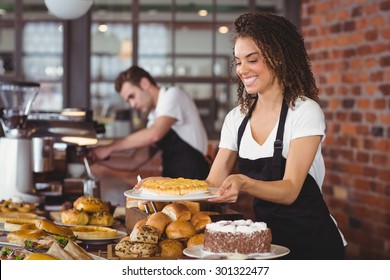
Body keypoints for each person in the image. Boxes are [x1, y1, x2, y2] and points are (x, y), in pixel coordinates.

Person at [206, 13, 347, 259]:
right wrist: (160, 189)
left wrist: (244, 182)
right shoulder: (236, 119)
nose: (242, 70)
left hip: (315, 245)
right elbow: (212, 185)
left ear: (278, 58)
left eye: (252, 60)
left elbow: (290, 189)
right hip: (268, 247)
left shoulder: (304, 111)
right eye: (238, 61)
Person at [88, 66, 210, 180]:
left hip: (196, 182)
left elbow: (154, 134)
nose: (132, 104)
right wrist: (97, 159)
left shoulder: (172, 95)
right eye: (128, 101)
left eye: (132, 96)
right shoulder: (154, 118)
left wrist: (110, 147)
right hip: (172, 187)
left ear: (144, 83)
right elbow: (133, 162)